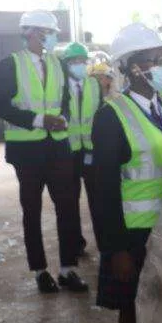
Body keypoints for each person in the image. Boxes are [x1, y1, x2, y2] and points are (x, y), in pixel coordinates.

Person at [92, 23, 162, 323]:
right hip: (134, 234)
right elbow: (101, 191)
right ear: (134, 67)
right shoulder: (111, 116)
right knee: (133, 309)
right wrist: (115, 249)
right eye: (156, 59)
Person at [0, 10, 88, 294]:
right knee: (31, 210)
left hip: (58, 147)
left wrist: (63, 119)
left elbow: (65, 101)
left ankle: (68, 269)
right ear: (32, 32)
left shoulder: (58, 64)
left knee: (68, 206)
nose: (54, 37)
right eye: (50, 32)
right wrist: (38, 120)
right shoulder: (9, 65)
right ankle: (40, 270)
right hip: (26, 151)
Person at [63, 41, 103, 252]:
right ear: (67, 64)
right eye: (75, 61)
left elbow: (100, 114)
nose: (79, 65)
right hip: (67, 151)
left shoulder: (94, 85)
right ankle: (75, 243)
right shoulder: (59, 86)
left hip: (90, 150)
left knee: (97, 199)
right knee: (70, 201)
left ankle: (104, 241)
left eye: (82, 61)